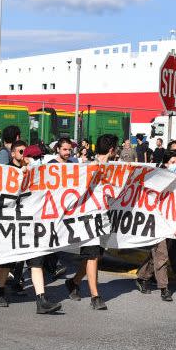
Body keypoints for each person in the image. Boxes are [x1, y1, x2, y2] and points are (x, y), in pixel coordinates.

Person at [0, 140, 62, 314]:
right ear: (17, 154)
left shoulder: (42, 175)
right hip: (11, 224)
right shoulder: (6, 171)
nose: (34, 159)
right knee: (7, 262)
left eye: (38, 157)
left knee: (36, 262)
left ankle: (41, 300)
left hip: (32, 225)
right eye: (27, 155)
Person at [66, 133, 119, 311]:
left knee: (95, 256)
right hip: (89, 218)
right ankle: (95, 296)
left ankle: (73, 282)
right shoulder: (88, 168)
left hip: (104, 218)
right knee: (92, 255)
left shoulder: (114, 169)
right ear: (112, 149)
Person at [136, 151, 176, 301]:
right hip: (155, 222)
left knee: (157, 253)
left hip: (169, 222)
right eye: (173, 162)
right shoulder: (156, 177)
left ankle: (142, 276)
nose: (175, 165)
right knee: (162, 255)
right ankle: (164, 288)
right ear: (166, 163)